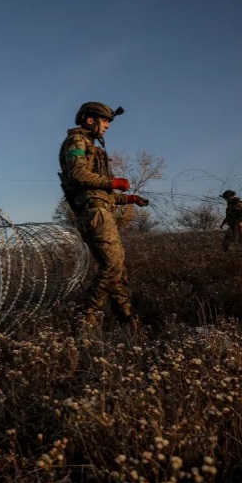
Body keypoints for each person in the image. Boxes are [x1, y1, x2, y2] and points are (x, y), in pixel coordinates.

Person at [58, 101, 149, 331]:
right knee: (112, 264)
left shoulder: (92, 147)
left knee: (118, 268)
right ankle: (86, 318)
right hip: (94, 213)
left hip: (101, 208)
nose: (107, 126)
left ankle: (127, 321)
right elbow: (78, 175)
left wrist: (129, 199)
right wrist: (113, 182)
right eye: (105, 120)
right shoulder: (76, 141)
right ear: (91, 120)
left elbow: (101, 193)